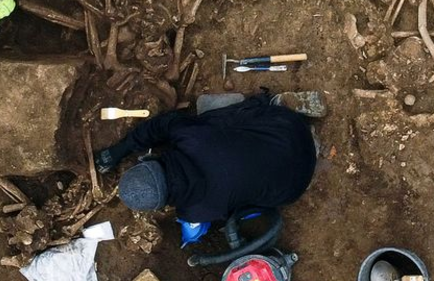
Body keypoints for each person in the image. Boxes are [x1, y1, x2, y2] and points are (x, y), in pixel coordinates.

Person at [94, 91, 317, 224]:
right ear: (150, 160)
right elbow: (164, 123)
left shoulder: (195, 212)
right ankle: (273, 103)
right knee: (212, 120)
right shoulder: (191, 138)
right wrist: (123, 148)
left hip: (293, 187)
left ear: (162, 206)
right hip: (290, 129)